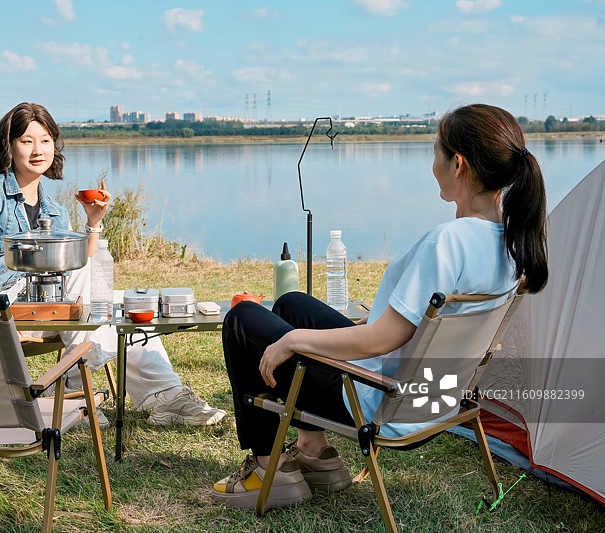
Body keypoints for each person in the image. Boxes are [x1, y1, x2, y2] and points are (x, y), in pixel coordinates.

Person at [211, 104, 548, 509]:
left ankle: (270, 471)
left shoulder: (448, 242)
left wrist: (295, 342)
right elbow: (402, 329)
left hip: (379, 400)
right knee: (292, 304)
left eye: (435, 152)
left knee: (242, 320)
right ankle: (315, 453)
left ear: (457, 164)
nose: (432, 164)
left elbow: (383, 337)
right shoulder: (511, 244)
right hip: (434, 398)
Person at [0, 102, 226, 427]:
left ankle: (165, 396)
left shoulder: (52, 208)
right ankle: (74, 392)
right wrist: (2, 313)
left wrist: (94, 222)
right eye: (27, 140)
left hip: (46, 306)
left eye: (46, 140)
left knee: (128, 304)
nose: (38, 149)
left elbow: (84, 268)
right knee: (93, 291)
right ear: (8, 146)